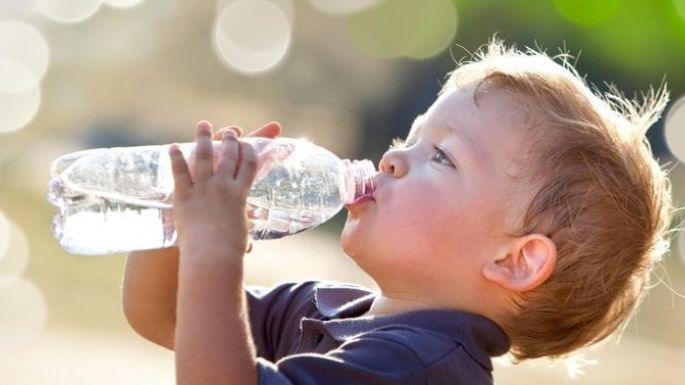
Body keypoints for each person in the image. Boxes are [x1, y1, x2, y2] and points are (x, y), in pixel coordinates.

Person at [121, 39, 674, 384]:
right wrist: (178, 213)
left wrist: (215, 248)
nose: (390, 159)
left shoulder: (421, 367)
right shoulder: (327, 308)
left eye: (440, 156)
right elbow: (165, 313)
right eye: (408, 139)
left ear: (515, 260)